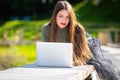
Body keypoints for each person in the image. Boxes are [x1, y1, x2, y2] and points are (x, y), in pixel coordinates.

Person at [41, 0, 120, 80]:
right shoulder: (46, 29)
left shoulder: (78, 29)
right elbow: (45, 54)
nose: (64, 20)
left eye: (67, 17)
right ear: (55, 16)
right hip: (60, 66)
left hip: (83, 59)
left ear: (71, 18)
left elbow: (82, 57)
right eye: (60, 16)